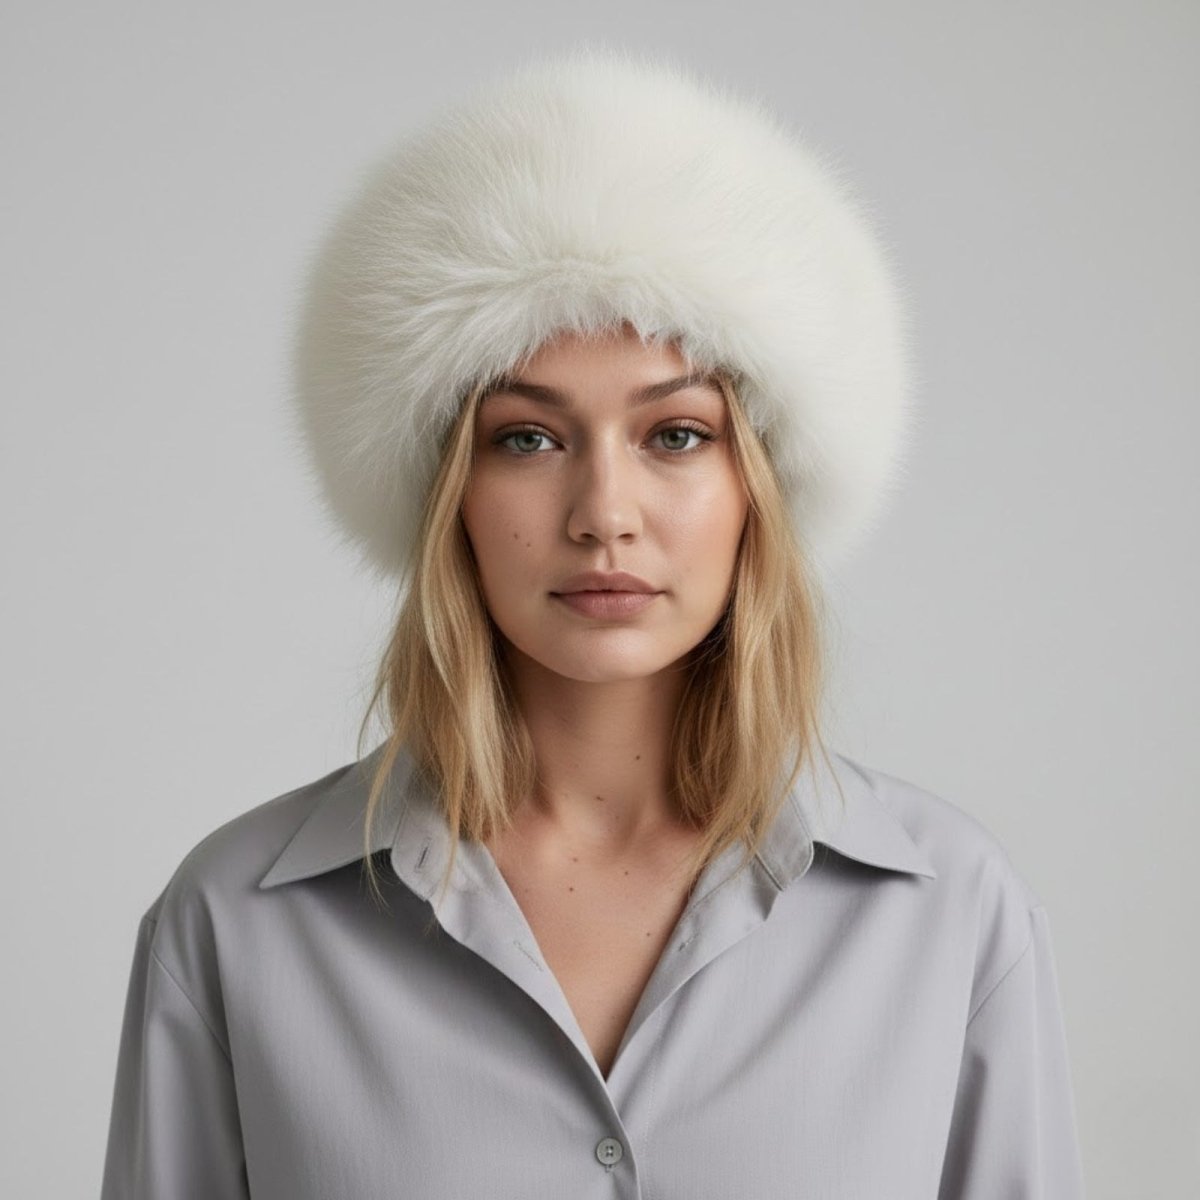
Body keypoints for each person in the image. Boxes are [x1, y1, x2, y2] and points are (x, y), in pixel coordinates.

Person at [100, 44, 1087, 1198]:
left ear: (752, 489)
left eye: (676, 435)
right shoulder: (233, 925)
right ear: (448, 494)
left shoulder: (950, 914)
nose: (603, 515)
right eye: (528, 437)